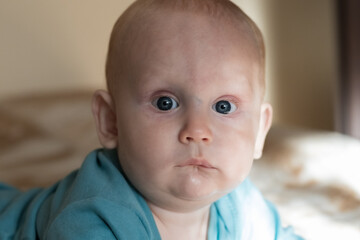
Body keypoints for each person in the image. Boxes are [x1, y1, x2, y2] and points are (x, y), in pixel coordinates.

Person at [0, 0, 304, 239]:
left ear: (260, 130)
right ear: (111, 121)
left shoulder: (243, 205)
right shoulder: (93, 217)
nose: (197, 131)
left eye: (224, 107)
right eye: (165, 103)